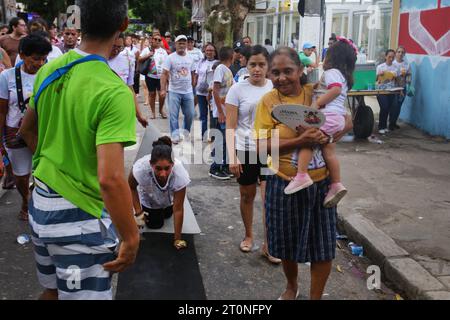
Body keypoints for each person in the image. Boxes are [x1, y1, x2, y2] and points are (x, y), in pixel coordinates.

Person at [19, 0, 139, 300]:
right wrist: (131, 237)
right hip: (80, 221)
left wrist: (54, 164)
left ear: (80, 23)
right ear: (123, 25)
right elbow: (110, 179)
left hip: (41, 205)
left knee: (51, 291)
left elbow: (27, 130)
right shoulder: (113, 90)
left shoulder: (50, 69)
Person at [254, 47, 352, 300]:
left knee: (323, 246)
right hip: (283, 183)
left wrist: (328, 136)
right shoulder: (268, 102)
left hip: (321, 185)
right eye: (275, 72)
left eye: (288, 71)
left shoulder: (316, 93)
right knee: (285, 243)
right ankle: (291, 286)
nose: (281, 78)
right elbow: (259, 146)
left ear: (300, 70)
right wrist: (298, 142)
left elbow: (346, 121)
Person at [284, 38, 357, 210]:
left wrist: (316, 104)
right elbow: (333, 89)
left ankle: (301, 175)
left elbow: (335, 90)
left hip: (327, 115)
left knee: (308, 138)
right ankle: (336, 184)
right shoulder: (342, 75)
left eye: (327, 55)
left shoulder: (332, 72)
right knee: (328, 150)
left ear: (333, 58)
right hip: (337, 117)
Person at [225, 45, 281, 264]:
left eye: (261, 65)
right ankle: (249, 235)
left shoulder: (275, 89)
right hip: (245, 149)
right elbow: (230, 126)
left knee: (270, 199)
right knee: (248, 196)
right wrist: (232, 156)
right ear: (245, 65)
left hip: (271, 149)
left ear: (268, 67)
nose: (257, 69)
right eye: (253, 64)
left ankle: (269, 244)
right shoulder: (237, 89)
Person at [0, 34, 51, 221]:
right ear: (21, 55)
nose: (40, 63)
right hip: (14, 133)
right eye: (36, 58)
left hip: (43, 132)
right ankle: (25, 199)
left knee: (43, 172)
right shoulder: (7, 77)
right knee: (21, 176)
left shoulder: (49, 73)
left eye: (44, 58)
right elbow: (2, 111)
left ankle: (37, 200)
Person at [129, 136, 191, 250]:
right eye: (158, 168)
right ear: (150, 164)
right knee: (155, 225)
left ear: (172, 164)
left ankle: (165, 208)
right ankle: (153, 211)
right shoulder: (140, 169)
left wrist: (177, 239)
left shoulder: (180, 174)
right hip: (149, 199)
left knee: (168, 214)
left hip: (167, 199)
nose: (163, 174)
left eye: (167, 168)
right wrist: (138, 212)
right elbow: (131, 187)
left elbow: (178, 209)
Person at [160, 35, 196, 144]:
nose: (181, 45)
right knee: (173, 115)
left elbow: (193, 72)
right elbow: (164, 74)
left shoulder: (190, 58)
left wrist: (194, 83)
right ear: (175, 44)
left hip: (188, 91)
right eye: (179, 43)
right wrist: (163, 89)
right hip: (174, 91)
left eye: (183, 43)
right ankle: (175, 135)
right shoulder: (170, 57)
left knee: (190, 114)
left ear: (186, 45)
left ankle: (186, 133)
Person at [108, 33, 148, 128]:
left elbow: (130, 89)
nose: (116, 50)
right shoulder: (98, 60)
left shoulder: (127, 60)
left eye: (120, 47)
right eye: (114, 46)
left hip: (121, 109)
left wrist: (139, 115)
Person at [209, 47, 235, 180]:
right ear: (232, 56)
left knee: (225, 140)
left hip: (227, 112)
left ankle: (223, 165)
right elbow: (215, 90)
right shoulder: (220, 69)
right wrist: (220, 112)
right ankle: (215, 167)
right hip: (221, 113)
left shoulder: (228, 71)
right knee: (220, 140)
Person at [140, 34, 169, 119]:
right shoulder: (147, 50)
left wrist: (168, 77)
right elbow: (139, 59)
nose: (157, 41)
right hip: (150, 76)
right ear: (152, 40)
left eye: (159, 40)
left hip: (161, 77)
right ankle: (153, 112)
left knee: (162, 95)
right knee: (152, 94)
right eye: (155, 39)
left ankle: (160, 110)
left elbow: (167, 64)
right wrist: (148, 55)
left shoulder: (163, 51)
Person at [195, 43, 218, 140]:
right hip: (200, 92)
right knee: (203, 115)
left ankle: (213, 136)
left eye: (211, 50)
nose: (209, 52)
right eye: (207, 50)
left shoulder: (218, 63)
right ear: (204, 51)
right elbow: (196, 75)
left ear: (215, 52)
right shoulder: (201, 62)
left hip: (213, 93)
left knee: (213, 115)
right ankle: (204, 135)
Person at [376, 49, 399, 134]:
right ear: (385, 56)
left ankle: (385, 126)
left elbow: (397, 79)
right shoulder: (380, 67)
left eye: (393, 57)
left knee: (390, 108)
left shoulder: (396, 67)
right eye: (389, 57)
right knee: (384, 107)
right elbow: (375, 80)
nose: (391, 59)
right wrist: (379, 75)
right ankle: (381, 127)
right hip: (381, 90)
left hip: (391, 91)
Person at [392, 45, 411, 131]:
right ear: (396, 53)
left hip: (402, 88)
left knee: (398, 106)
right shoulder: (392, 63)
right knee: (393, 105)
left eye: (402, 52)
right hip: (393, 88)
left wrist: (408, 82)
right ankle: (390, 123)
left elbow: (409, 75)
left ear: (404, 54)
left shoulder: (406, 65)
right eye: (399, 52)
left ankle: (393, 122)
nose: (400, 54)